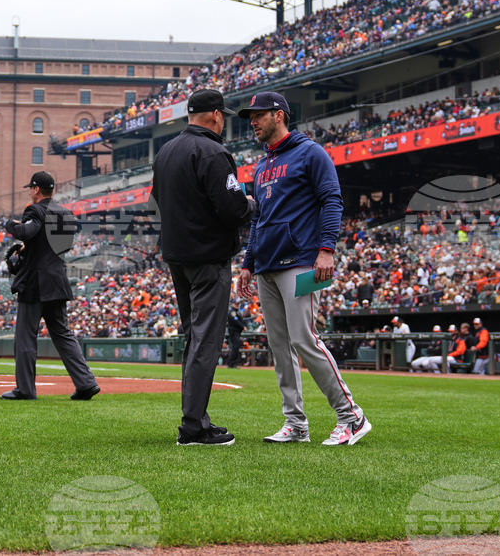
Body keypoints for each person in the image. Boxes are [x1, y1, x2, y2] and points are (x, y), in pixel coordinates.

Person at [235, 91, 370, 446]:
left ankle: (351, 416)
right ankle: (295, 424)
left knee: (304, 340)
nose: (253, 121)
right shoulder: (261, 165)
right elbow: (259, 219)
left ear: (279, 115)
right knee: (280, 347)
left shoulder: (310, 152)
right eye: (251, 116)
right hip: (265, 264)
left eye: (259, 115)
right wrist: (248, 263)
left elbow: (332, 199)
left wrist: (327, 249)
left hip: (301, 261)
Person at [151, 89, 255, 446]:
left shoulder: (165, 150)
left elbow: (156, 201)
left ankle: (197, 419)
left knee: (193, 338)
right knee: (205, 340)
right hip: (208, 256)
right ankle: (193, 427)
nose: (223, 119)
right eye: (222, 114)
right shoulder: (212, 150)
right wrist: (250, 203)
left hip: (177, 255)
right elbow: (231, 209)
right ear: (214, 114)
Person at [1, 171, 100, 401]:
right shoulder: (65, 213)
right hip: (57, 280)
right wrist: (31, 249)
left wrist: (10, 224)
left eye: (30, 188)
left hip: (36, 283)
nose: (29, 192)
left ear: (36, 189)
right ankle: (86, 383)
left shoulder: (34, 210)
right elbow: (59, 245)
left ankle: (25, 389)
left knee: (25, 337)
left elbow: (28, 230)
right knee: (63, 334)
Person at [225, 303, 247, 369]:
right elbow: (236, 321)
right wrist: (242, 326)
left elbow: (240, 320)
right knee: (235, 347)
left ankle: (232, 362)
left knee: (236, 347)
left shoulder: (237, 312)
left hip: (236, 332)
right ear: (232, 304)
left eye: (238, 304)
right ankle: (231, 363)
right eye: (236, 304)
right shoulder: (232, 312)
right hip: (234, 332)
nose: (237, 305)